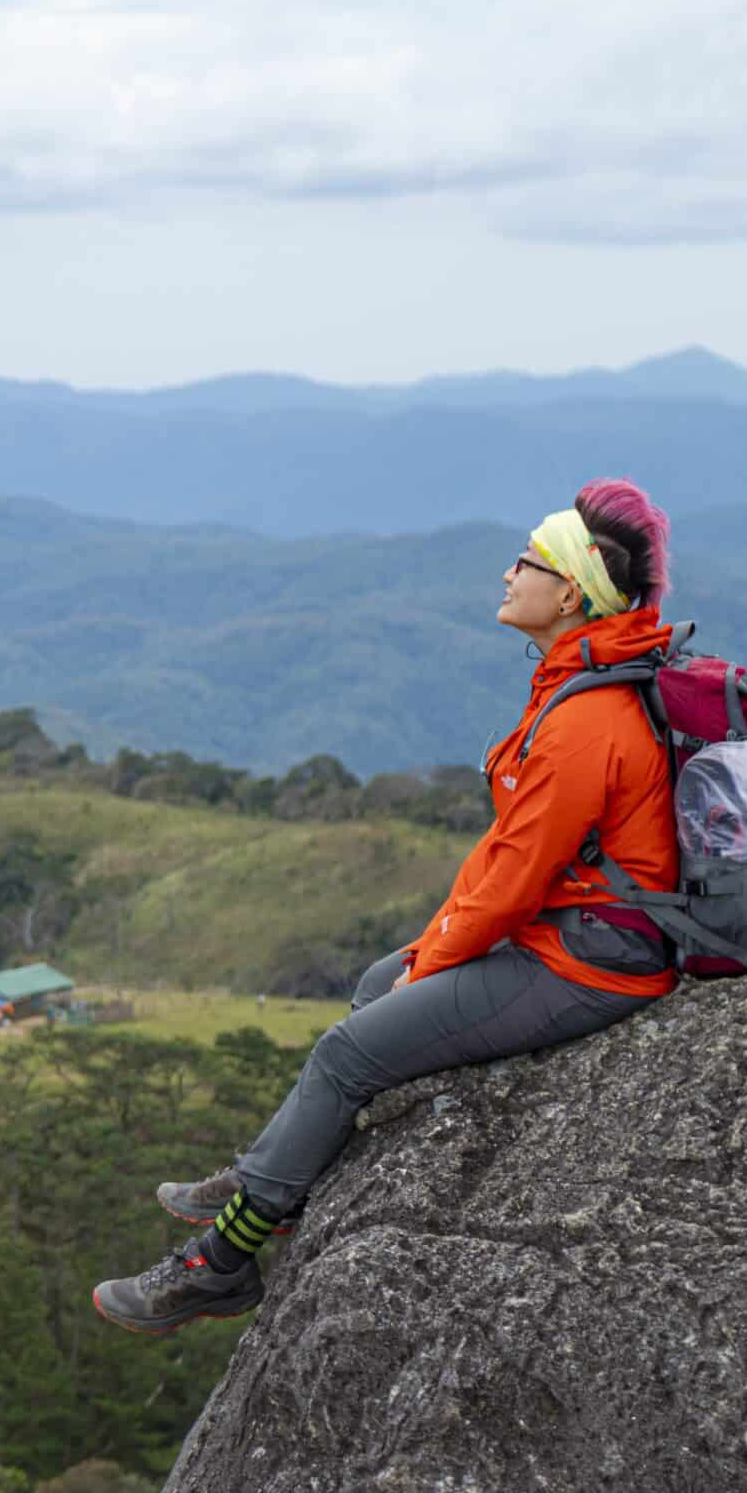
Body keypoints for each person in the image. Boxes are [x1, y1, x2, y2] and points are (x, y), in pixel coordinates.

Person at [93, 479, 684, 1335]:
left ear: (569, 594)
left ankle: (220, 1261)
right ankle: (273, 1171)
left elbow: (514, 877)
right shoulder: (580, 682)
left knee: (344, 1055)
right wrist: (427, 952)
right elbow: (508, 861)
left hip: (591, 961)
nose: (509, 571)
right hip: (572, 930)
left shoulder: (585, 719)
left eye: (529, 559)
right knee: (381, 980)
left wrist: (436, 960)